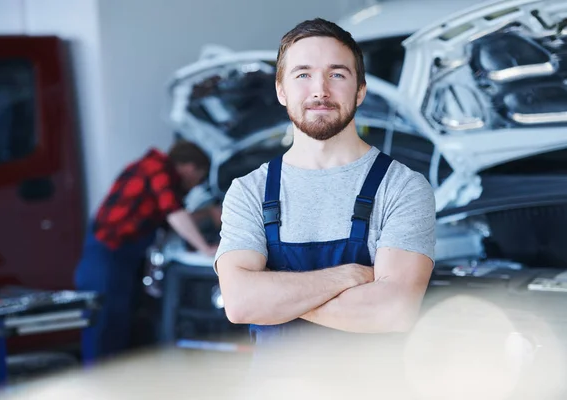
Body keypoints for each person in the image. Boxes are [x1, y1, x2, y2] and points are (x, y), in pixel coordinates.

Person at [213, 18, 436, 386]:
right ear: (281, 90)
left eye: (337, 74)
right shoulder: (249, 190)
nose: (320, 90)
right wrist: (347, 277)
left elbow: (392, 311)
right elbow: (240, 303)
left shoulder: (402, 187)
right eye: (302, 75)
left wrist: (276, 296)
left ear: (360, 90)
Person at [74, 140, 218, 360]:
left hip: (117, 259)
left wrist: (209, 214)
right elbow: (175, 214)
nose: (195, 185)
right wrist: (206, 248)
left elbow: (172, 220)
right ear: (190, 168)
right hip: (106, 259)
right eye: (199, 177)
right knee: (103, 328)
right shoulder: (156, 168)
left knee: (118, 327)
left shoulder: (150, 171)